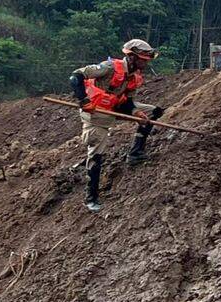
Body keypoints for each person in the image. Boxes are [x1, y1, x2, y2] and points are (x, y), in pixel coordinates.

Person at [69, 39, 164, 212]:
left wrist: (135, 112)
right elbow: (76, 77)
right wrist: (83, 100)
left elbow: (126, 102)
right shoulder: (109, 67)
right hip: (95, 114)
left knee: (153, 112)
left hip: (113, 107)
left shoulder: (134, 77)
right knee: (97, 153)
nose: (146, 62)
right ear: (132, 57)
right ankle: (91, 198)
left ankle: (136, 153)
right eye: (143, 59)